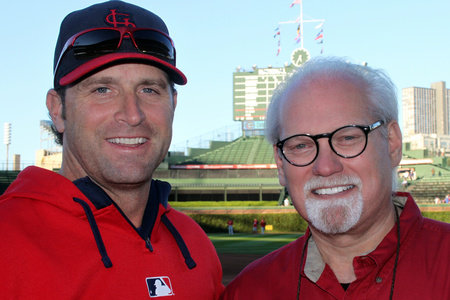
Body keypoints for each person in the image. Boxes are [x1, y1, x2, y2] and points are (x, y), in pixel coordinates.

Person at [0, 2, 223, 299]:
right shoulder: (7, 239)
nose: (132, 115)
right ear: (58, 110)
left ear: (174, 105)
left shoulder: (194, 243)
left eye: (149, 90)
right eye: (102, 90)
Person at [222, 57, 450, 299]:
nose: (325, 166)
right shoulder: (248, 290)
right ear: (280, 164)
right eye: (301, 145)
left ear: (392, 144)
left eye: (348, 137)